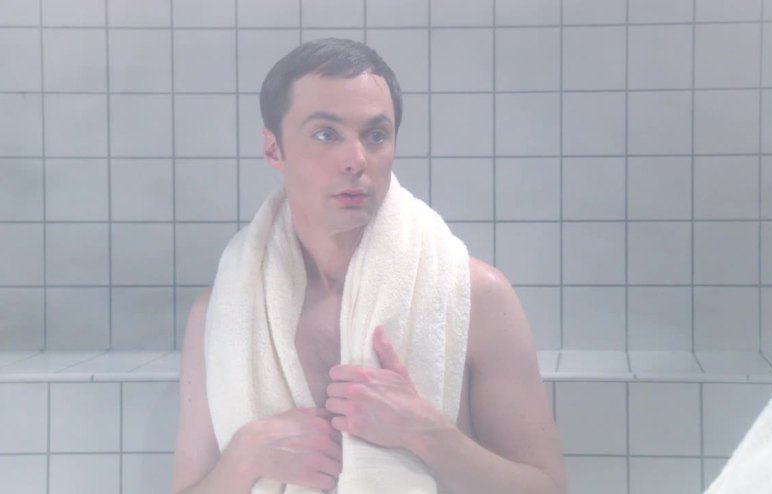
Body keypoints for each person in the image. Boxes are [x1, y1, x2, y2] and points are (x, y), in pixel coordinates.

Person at [171, 38, 565, 494]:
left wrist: (428, 436)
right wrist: (244, 460)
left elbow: (548, 488)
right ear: (274, 149)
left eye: (376, 135)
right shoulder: (219, 314)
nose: (356, 161)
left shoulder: (477, 297)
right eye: (326, 134)